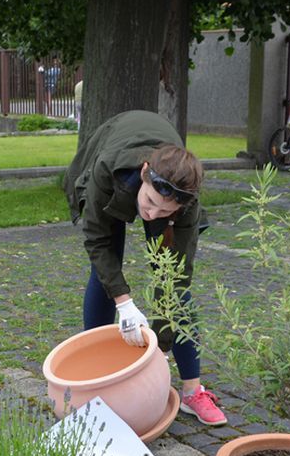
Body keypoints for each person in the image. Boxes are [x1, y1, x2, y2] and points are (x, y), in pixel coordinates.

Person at [63, 110, 227, 426]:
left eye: (165, 210)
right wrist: (124, 303)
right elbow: (97, 242)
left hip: (159, 184)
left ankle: (193, 391)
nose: (151, 215)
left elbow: (175, 280)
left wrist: (158, 352)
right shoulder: (107, 170)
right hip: (114, 164)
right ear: (145, 175)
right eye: (150, 202)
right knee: (104, 272)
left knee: (172, 280)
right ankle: (94, 377)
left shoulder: (184, 205)